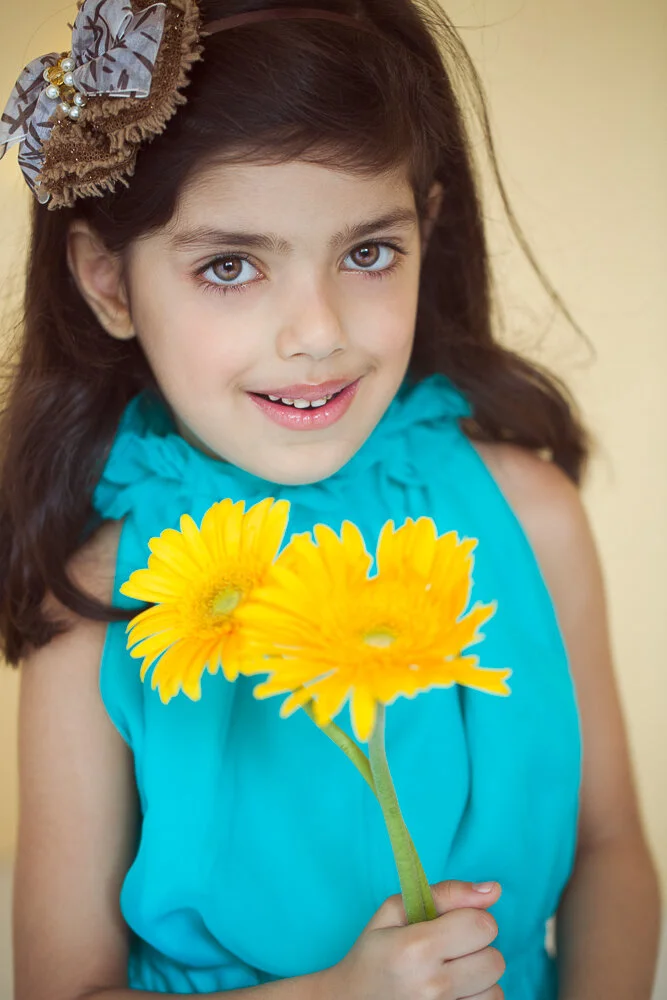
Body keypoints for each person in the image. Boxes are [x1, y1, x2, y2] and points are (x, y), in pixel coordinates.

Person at [0, 0, 660, 998]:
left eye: (366, 253)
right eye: (230, 266)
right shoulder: (99, 598)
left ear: (425, 228)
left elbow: (609, 847)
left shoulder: (529, 517)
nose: (317, 332)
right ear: (109, 284)